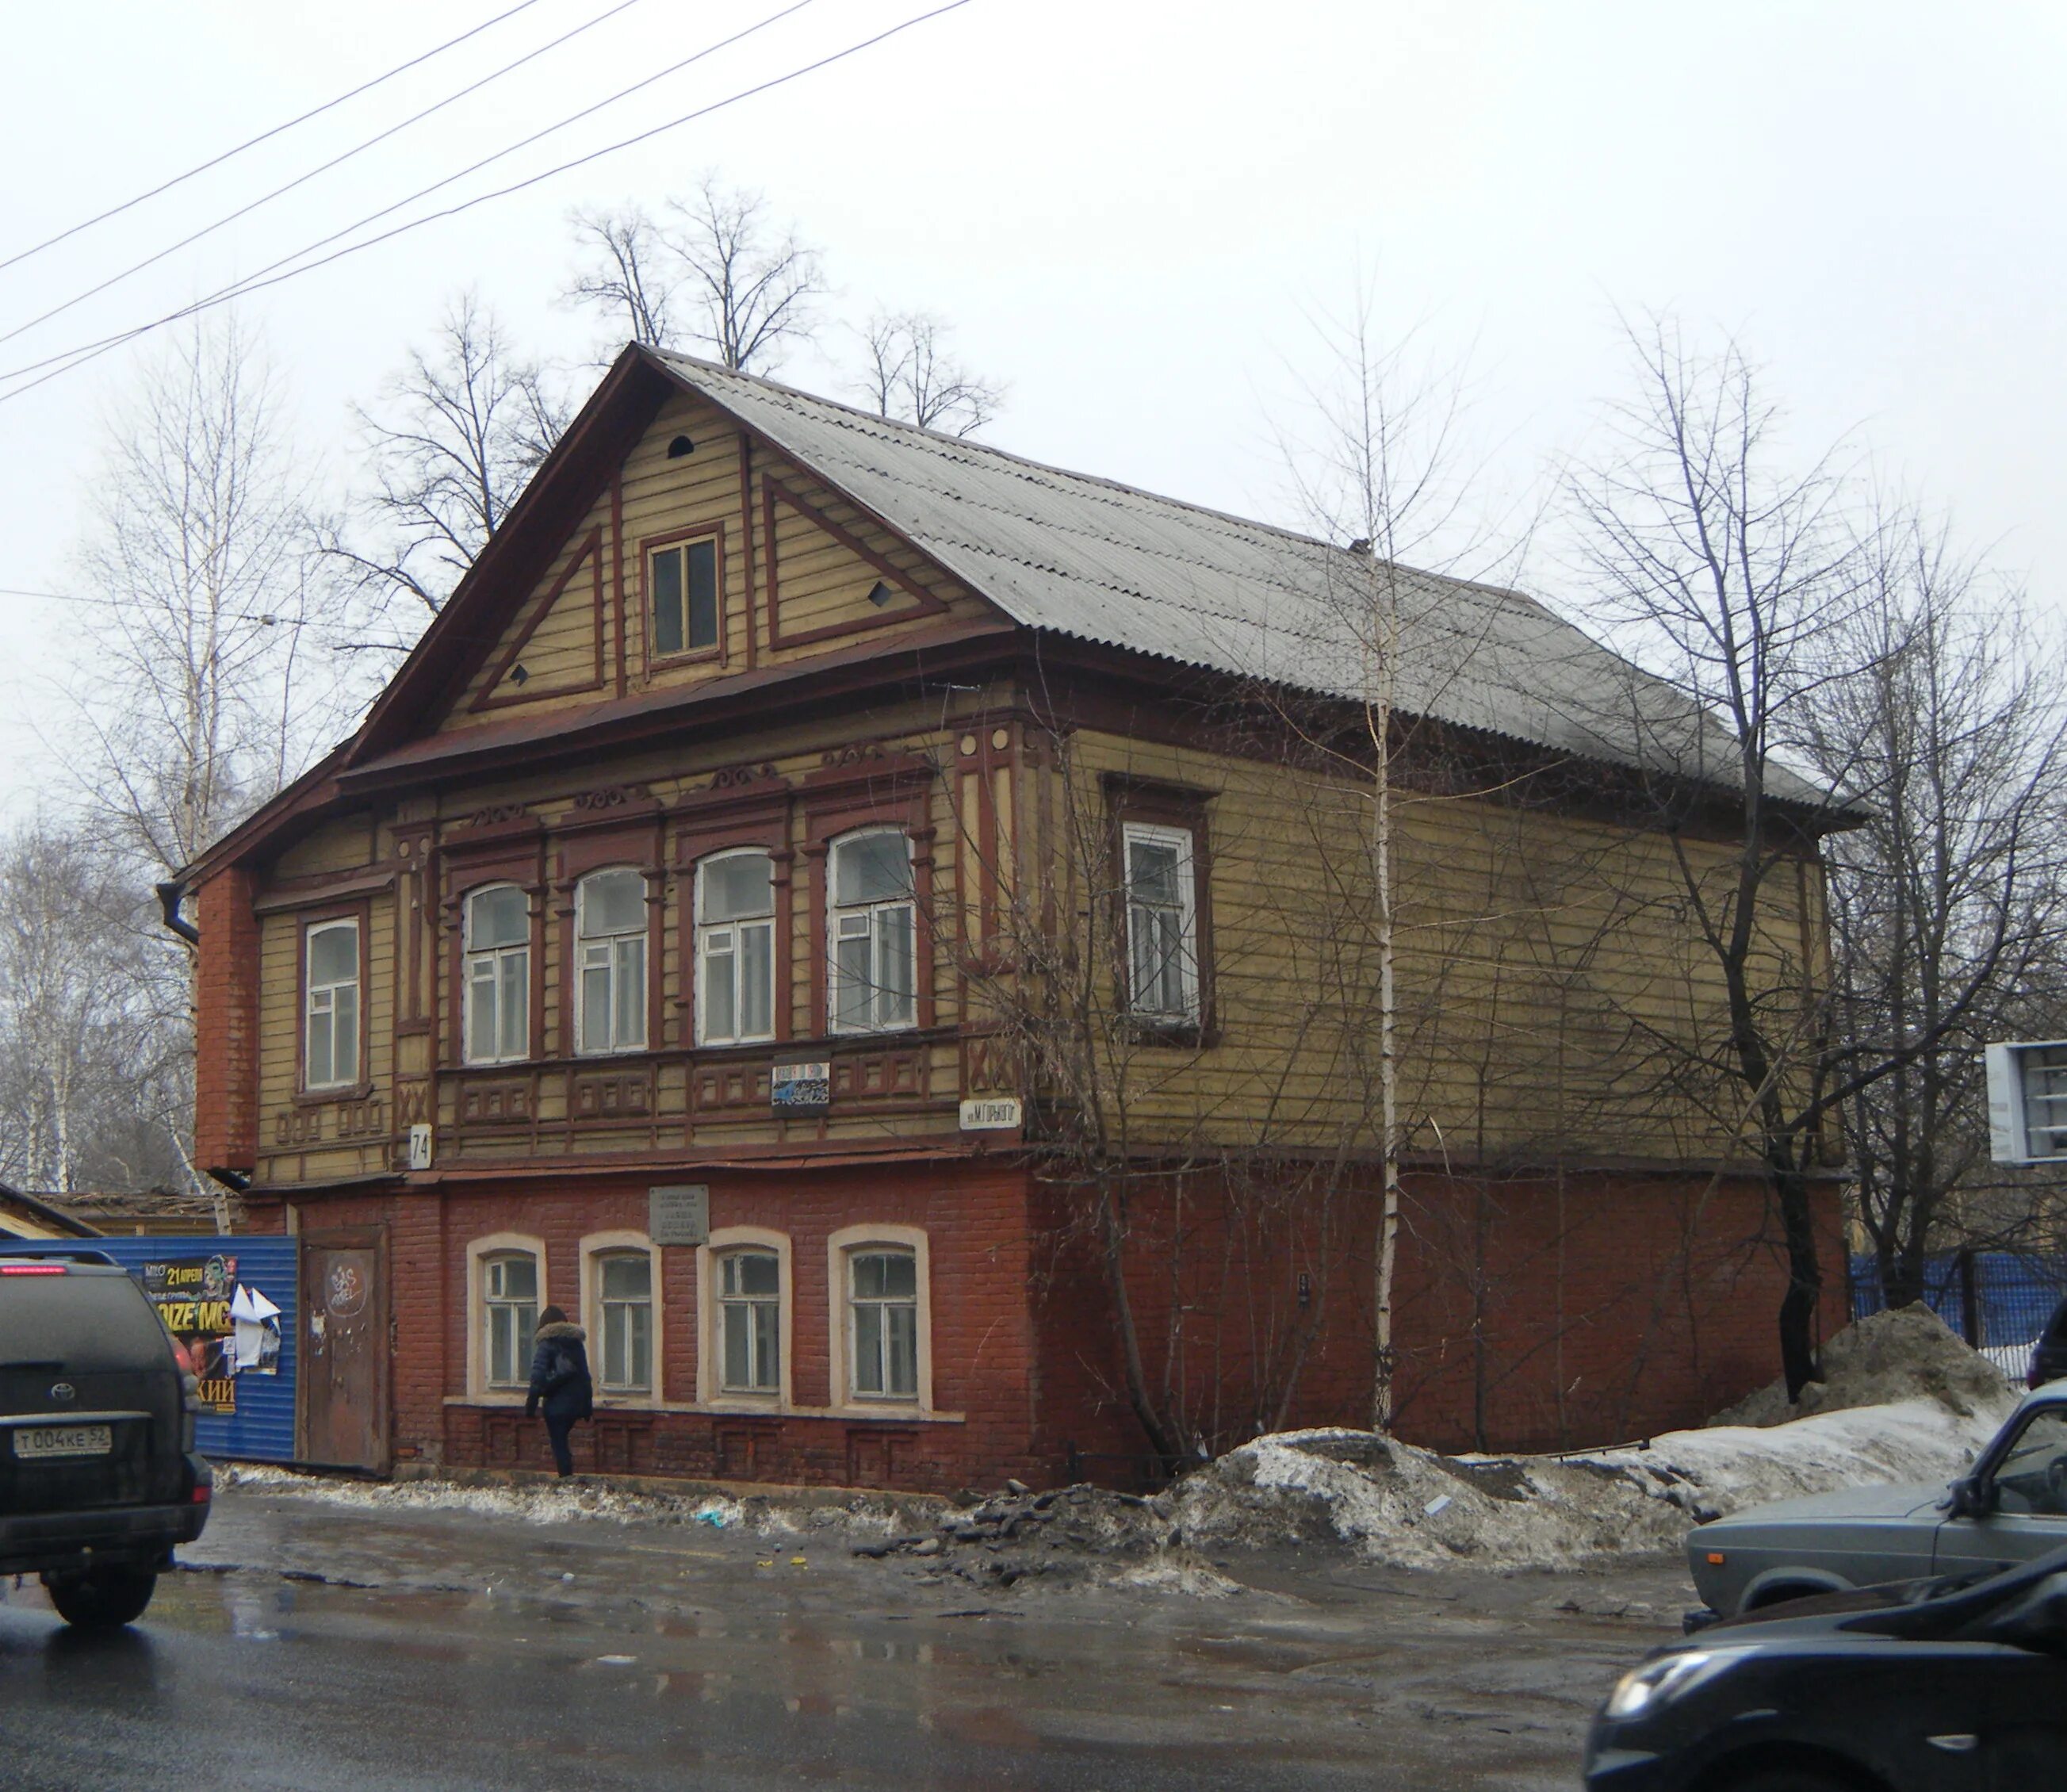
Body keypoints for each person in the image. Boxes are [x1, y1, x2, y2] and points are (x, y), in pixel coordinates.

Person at [523, 1305, 594, 1477]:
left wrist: (531, 1406)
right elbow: (585, 1377)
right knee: (562, 1442)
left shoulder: (546, 1344)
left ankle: (566, 1479)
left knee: (559, 1444)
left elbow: (538, 1377)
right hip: (576, 1404)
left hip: (556, 1407)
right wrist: (586, 1406)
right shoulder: (576, 1345)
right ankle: (567, 1477)